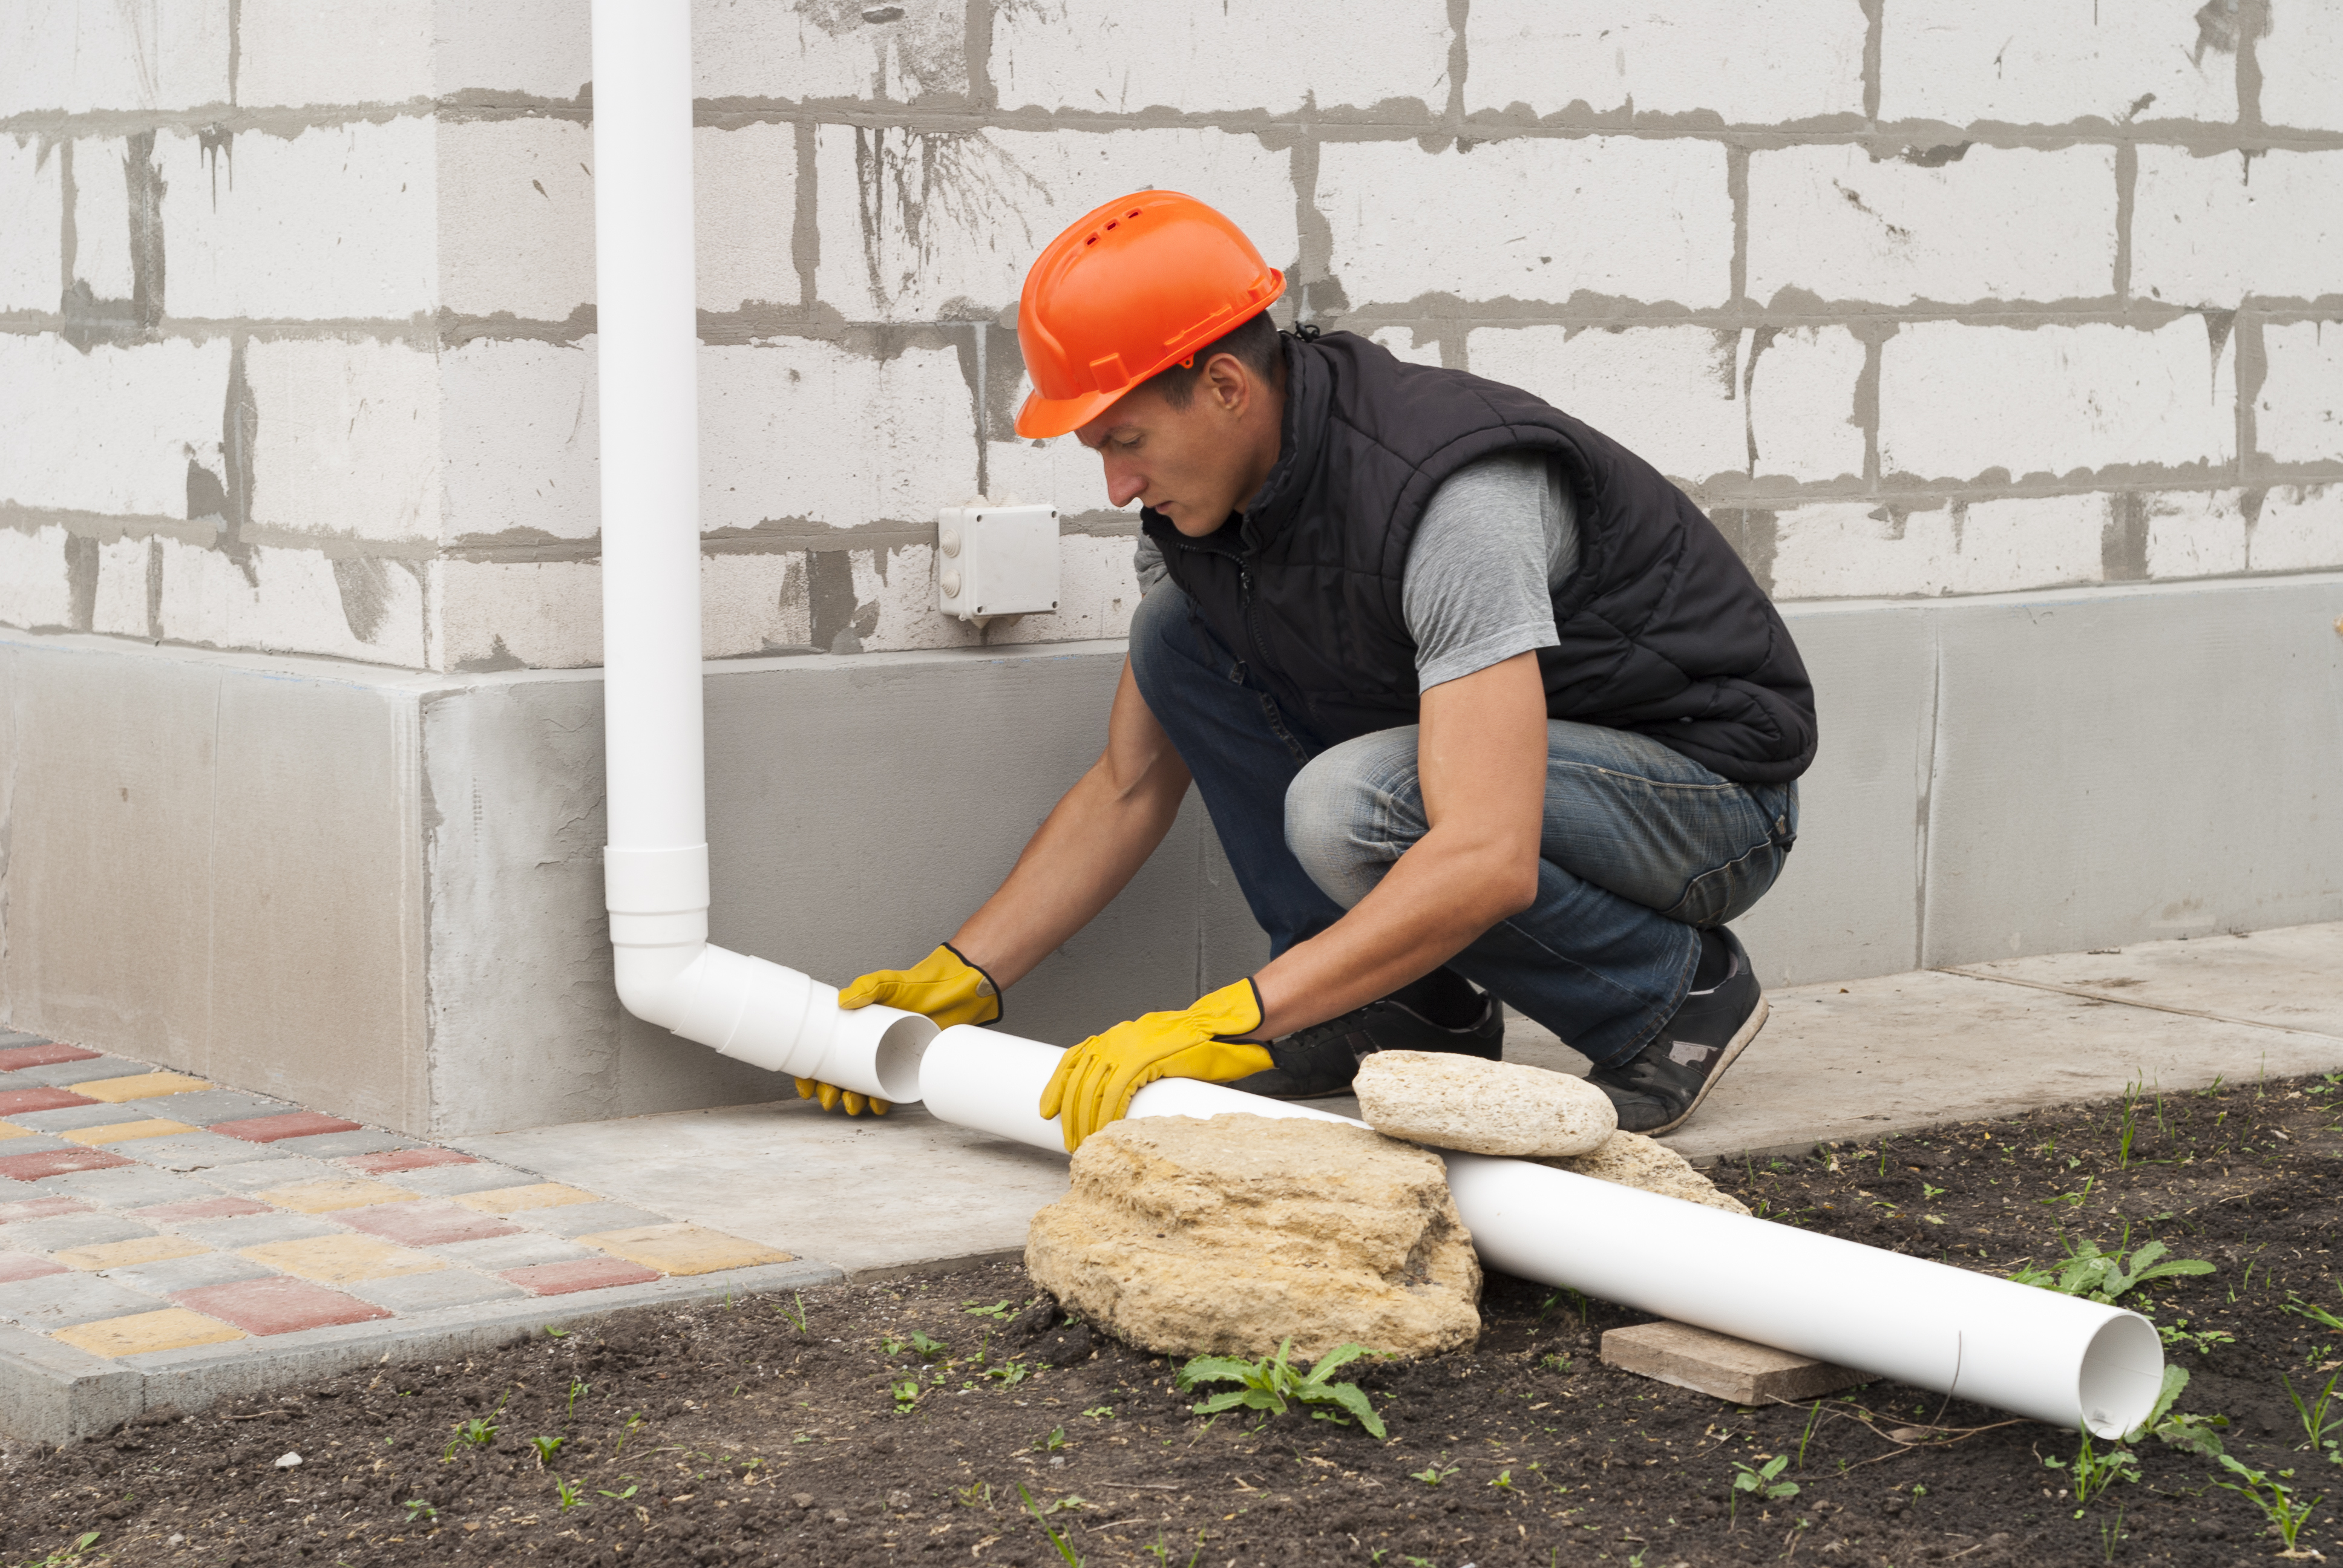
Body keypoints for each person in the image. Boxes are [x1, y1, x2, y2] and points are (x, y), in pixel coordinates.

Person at [811, 190, 1816, 1151]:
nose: (1116, 487)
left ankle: (1668, 996)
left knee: (1354, 803)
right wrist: (964, 976)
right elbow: (1129, 786)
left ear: (1224, 387)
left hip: (1707, 798)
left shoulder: (1452, 500)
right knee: (1177, 638)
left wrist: (1242, 1013)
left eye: (1126, 440)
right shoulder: (1195, 519)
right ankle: (1403, 1006)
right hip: (1535, 777)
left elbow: (1485, 852)